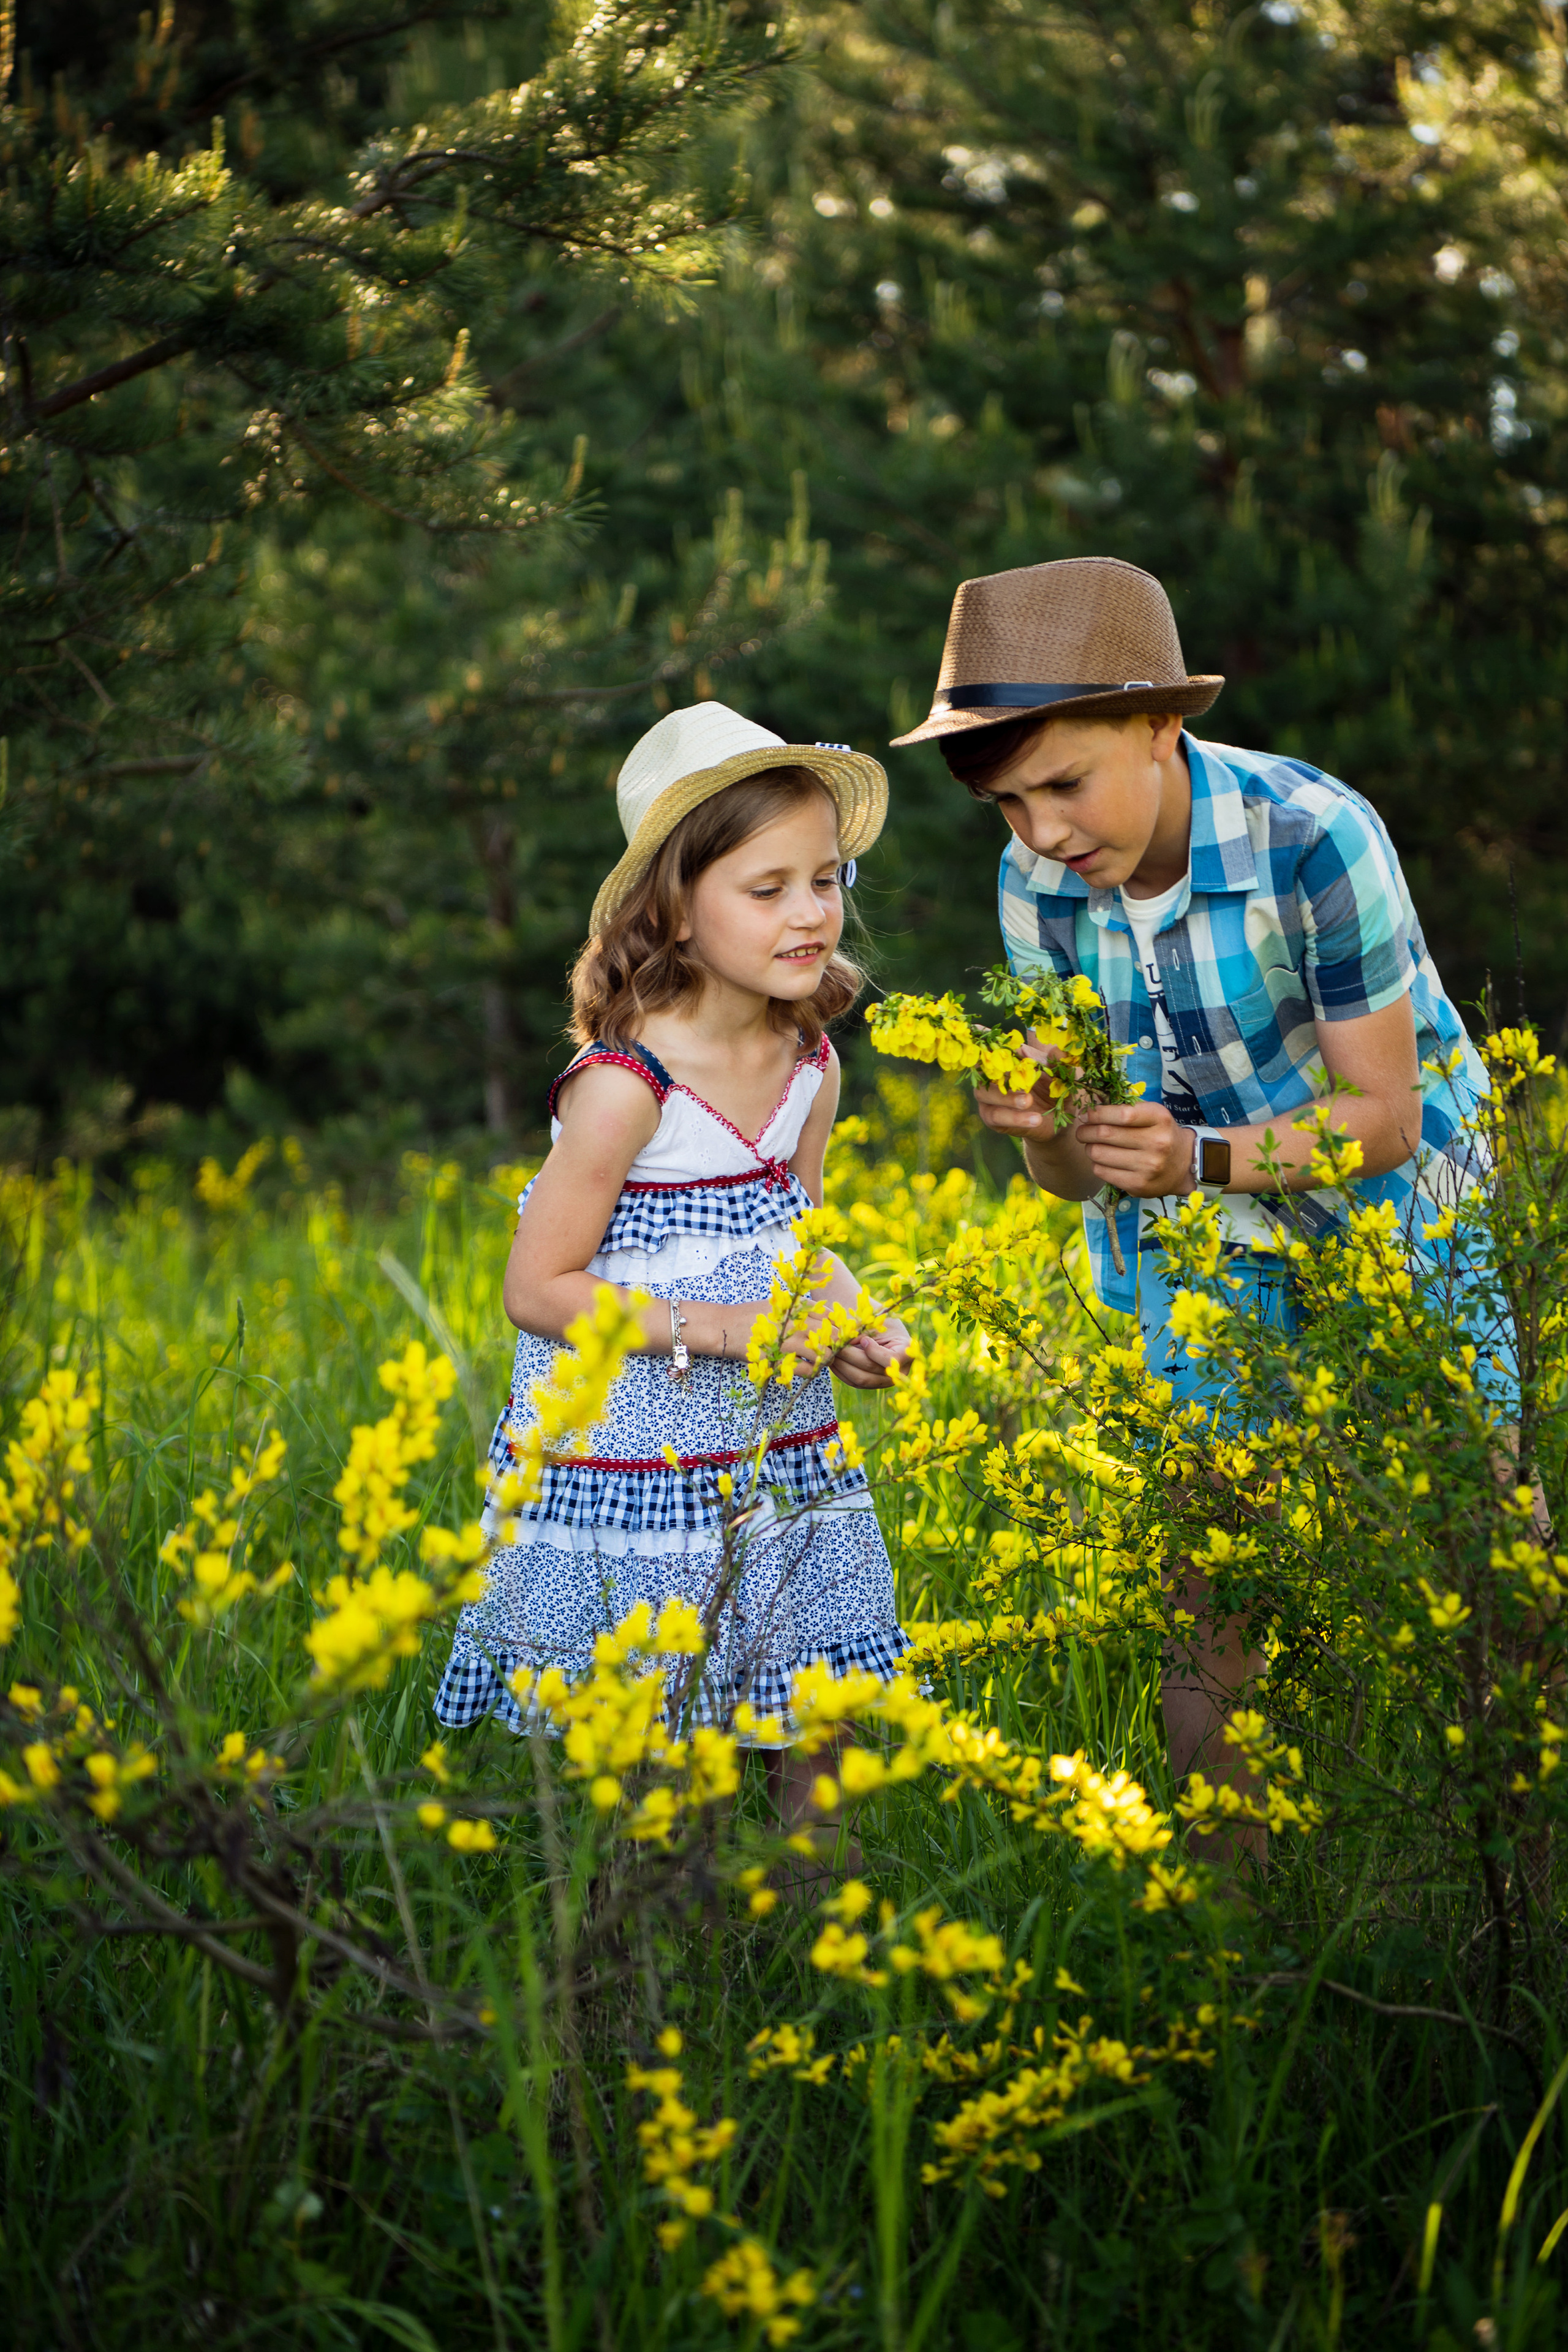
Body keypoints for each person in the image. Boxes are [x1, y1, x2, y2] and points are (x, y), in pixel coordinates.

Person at [891, 555, 1507, 1867]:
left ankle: (1519, 1872)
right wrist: (1049, 1130)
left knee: (1480, 1530)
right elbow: (1073, 1181)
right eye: (1008, 805)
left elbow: (1381, 1121)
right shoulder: (1036, 892)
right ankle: (1233, 1934)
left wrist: (1201, 1159)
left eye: (1064, 783)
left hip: (1397, 1194)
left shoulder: (1309, 832)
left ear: (1161, 725)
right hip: (1186, 1219)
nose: (1044, 835)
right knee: (1203, 1559)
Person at [434, 700, 911, 1844]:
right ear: (676, 915)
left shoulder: (810, 1060)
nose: (812, 912)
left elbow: (792, 1232)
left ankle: (815, 1957)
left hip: (775, 1443)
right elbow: (538, 1290)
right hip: (637, 1447)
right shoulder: (624, 1084)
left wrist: (853, 1317)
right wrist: (727, 1328)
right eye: (769, 888)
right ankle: (654, 1983)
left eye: (828, 881)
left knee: (819, 1706)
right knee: (668, 1742)